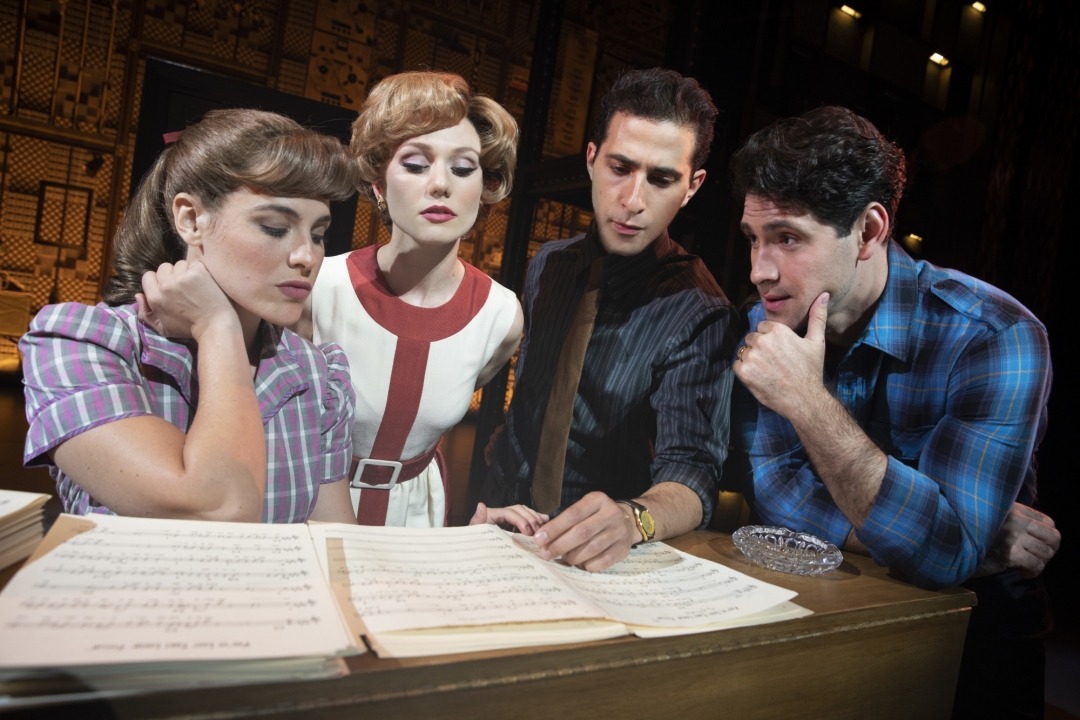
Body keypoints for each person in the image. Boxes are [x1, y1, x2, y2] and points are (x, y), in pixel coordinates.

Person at [727, 105, 1059, 718]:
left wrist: (806, 400)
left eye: (788, 238)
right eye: (754, 238)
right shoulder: (769, 322)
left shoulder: (997, 335)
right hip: (832, 606)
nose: (759, 271)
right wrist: (945, 535)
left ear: (871, 231)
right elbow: (776, 493)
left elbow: (941, 558)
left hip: (974, 633)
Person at [21, 109, 360, 524]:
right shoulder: (84, 346)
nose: (307, 256)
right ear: (190, 219)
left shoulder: (318, 375)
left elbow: (331, 546)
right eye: (274, 227)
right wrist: (217, 327)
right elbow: (218, 506)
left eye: (319, 234)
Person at [483, 68, 735, 571]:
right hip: (500, 521)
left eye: (662, 179)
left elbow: (693, 472)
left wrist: (633, 519)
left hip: (598, 554)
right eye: (620, 167)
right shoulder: (548, 264)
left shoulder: (701, 311)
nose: (633, 200)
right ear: (592, 159)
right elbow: (531, 401)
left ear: (691, 187)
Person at [303, 71, 539, 531]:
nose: (440, 185)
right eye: (415, 164)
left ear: (483, 188)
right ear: (377, 183)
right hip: (311, 504)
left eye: (463, 168)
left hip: (420, 517)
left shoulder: (501, 316)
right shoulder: (318, 287)